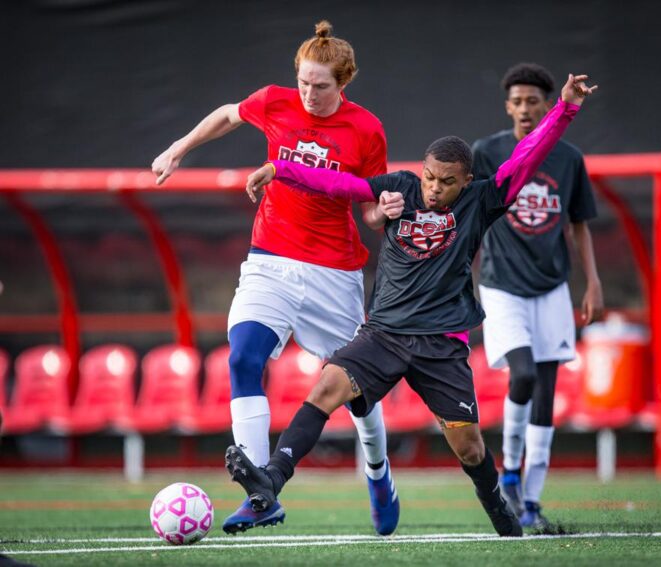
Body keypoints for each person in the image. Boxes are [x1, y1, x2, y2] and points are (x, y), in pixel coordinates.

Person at [225, 74, 595, 536]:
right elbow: (339, 185)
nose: (434, 189)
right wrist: (281, 170)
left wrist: (565, 109)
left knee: (471, 450)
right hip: (383, 334)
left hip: (440, 344)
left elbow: (529, 154)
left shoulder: (484, 200)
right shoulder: (400, 187)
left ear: (467, 181)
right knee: (325, 389)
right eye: (429, 177)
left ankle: (498, 503)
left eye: (446, 182)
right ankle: (271, 481)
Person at [151, 21, 404, 536]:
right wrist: (180, 147)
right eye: (304, 82)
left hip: (335, 272)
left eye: (322, 85)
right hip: (271, 259)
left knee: (358, 393)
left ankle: (378, 474)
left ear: (345, 82)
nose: (309, 94)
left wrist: (387, 211)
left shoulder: (367, 129)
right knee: (242, 357)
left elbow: (371, 206)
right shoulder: (274, 102)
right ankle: (260, 493)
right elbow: (227, 115)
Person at [471, 63, 604, 529]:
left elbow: (579, 223)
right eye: (518, 101)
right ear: (507, 106)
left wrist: (593, 281)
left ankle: (530, 503)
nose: (525, 109)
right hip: (502, 285)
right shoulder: (486, 153)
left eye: (534, 101)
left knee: (546, 393)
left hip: (552, 288)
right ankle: (509, 471)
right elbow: (470, 213)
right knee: (522, 375)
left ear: (548, 105)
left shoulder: (568, 159)